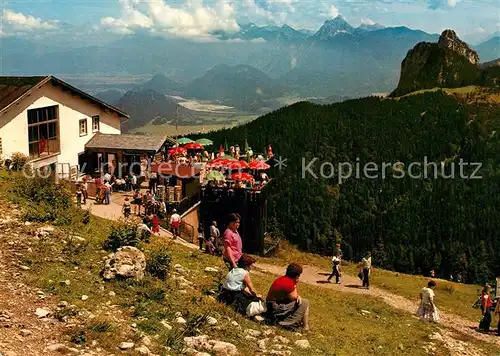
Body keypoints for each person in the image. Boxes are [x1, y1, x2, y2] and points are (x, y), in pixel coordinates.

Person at [266, 263, 310, 332]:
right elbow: (294, 298)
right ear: (297, 275)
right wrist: (295, 284)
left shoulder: (282, 279)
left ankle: (301, 323)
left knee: (300, 302)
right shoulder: (289, 283)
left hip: (270, 304)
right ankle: (305, 326)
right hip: (274, 307)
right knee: (304, 302)